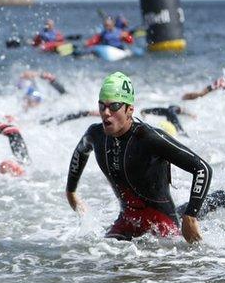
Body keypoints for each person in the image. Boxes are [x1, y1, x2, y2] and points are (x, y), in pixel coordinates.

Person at [66, 72, 212, 243]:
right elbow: (80, 152)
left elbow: (202, 169)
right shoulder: (95, 134)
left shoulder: (148, 137)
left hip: (162, 225)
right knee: (94, 258)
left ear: (129, 110)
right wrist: (71, 191)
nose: (106, 113)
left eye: (114, 107)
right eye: (102, 106)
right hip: (127, 220)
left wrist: (190, 217)